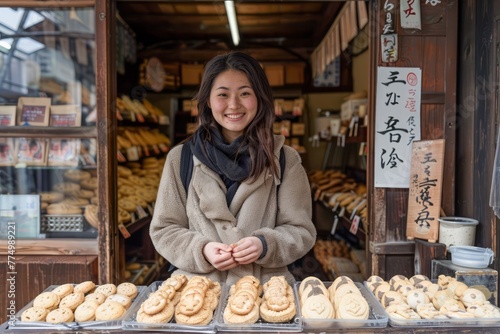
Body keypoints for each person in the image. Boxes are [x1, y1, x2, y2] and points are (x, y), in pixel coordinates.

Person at [150, 51, 317, 286]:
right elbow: (164, 229)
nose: (234, 105)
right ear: (208, 100)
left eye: (245, 93)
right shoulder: (181, 158)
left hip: (266, 294)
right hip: (198, 295)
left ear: (259, 98)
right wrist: (202, 249)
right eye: (223, 94)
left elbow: (301, 231)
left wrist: (265, 245)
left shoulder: (285, 159)